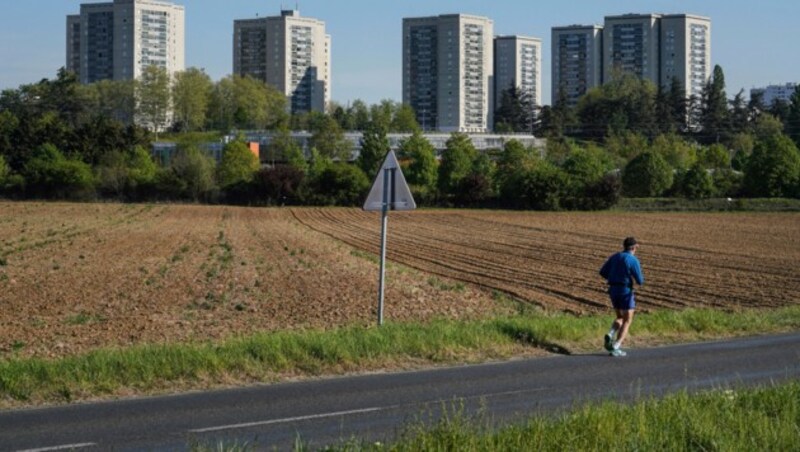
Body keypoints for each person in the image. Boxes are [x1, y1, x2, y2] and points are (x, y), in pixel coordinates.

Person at [599, 237, 644, 357]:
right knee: (628, 320)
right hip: (625, 290)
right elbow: (640, 280)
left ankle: (610, 333)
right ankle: (616, 346)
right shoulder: (633, 259)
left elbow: (602, 272)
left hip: (613, 290)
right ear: (633, 248)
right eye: (636, 248)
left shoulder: (614, 256)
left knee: (619, 316)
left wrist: (614, 277)